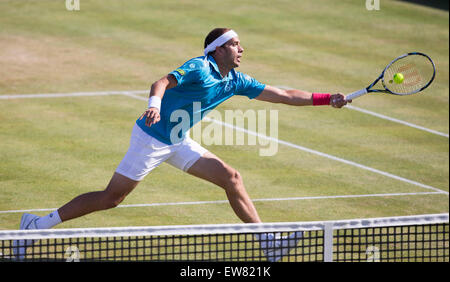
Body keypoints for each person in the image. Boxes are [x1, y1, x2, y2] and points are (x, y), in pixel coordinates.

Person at [14, 28, 349, 261]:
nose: (242, 49)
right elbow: (160, 82)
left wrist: (325, 99)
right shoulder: (199, 67)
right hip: (151, 138)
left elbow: (285, 95)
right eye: (235, 44)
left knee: (231, 178)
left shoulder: (235, 80)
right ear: (217, 49)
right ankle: (36, 225)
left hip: (178, 140)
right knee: (111, 198)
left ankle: (268, 243)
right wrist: (155, 106)